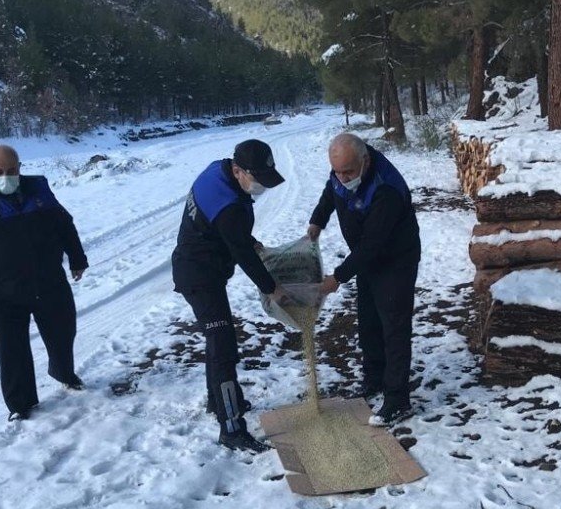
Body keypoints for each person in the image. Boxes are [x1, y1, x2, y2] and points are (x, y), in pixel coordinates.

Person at [0, 144, 88, 421]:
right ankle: (21, 405)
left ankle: (64, 373)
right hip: (3, 290)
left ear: (20, 168)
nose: (6, 177)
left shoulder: (39, 191)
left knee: (62, 333)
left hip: (49, 281)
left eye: (11, 170)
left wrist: (77, 258)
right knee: (11, 350)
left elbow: (64, 225)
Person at [171, 139, 293, 452]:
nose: (260, 187)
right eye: (256, 179)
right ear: (238, 170)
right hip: (199, 276)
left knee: (218, 342)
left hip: (202, 268)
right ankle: (231, 427)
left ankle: (218, 401)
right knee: (223, 347)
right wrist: (272, 288)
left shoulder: (218, 170)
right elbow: (241, 251)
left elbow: (228, 232)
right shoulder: (227, 204)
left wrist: (248, 240)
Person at [307, 133, 421, 425]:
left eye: (348, 172)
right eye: (338, 171)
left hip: (395, 259)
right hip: (366, 256)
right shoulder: (343, 169)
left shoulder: (386, 189)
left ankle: (397, 399)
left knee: (393, 327)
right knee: (368, 320)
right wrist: (318, 220)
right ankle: (374, 379)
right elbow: (331, 190)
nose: (343, 178)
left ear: (365, 161)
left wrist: (337, 278)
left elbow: (373, 245)